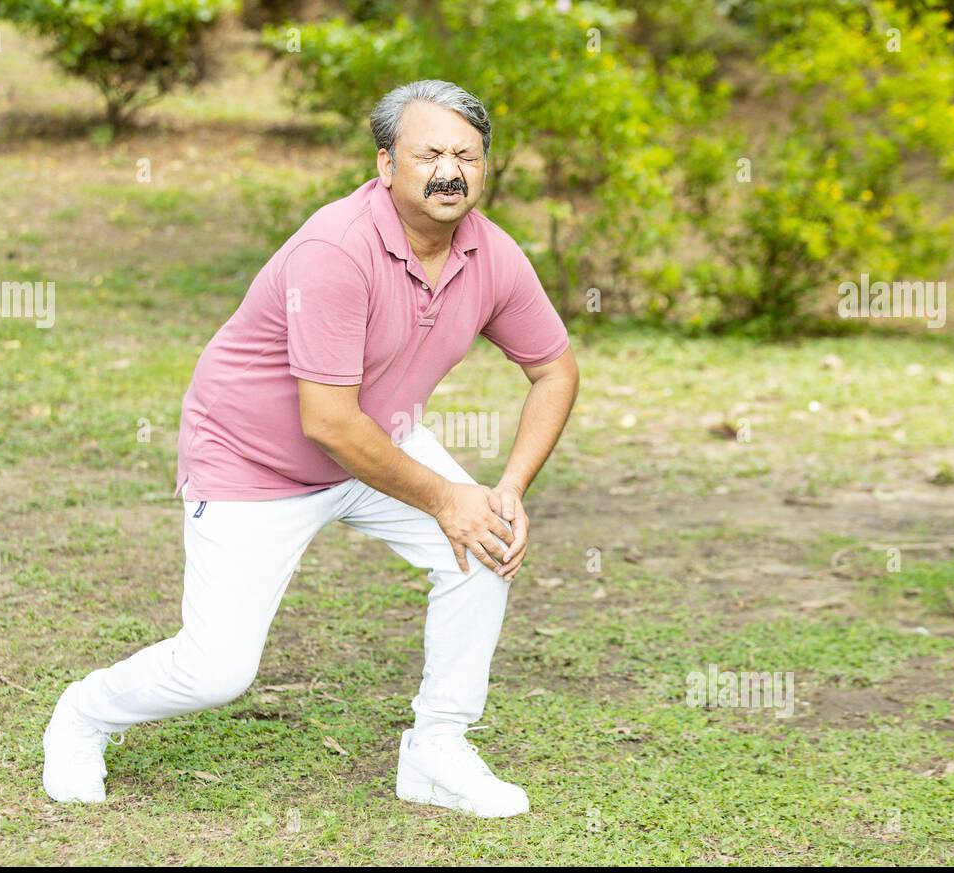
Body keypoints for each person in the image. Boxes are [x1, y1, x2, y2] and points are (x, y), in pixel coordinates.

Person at [42, 79, 580, 818]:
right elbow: (325, 421)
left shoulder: (493, 255)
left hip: (377, 440)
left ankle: (437, 749)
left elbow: (554, 370)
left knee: (488, 541)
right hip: (254, 461)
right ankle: (85, 713)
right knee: (216, 672)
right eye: (428, 154)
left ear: (485, 171)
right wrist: (447, 497)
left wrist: (507, 490)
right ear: (387, 165)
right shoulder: (337, 248)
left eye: (468, 155)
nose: (449, 170)